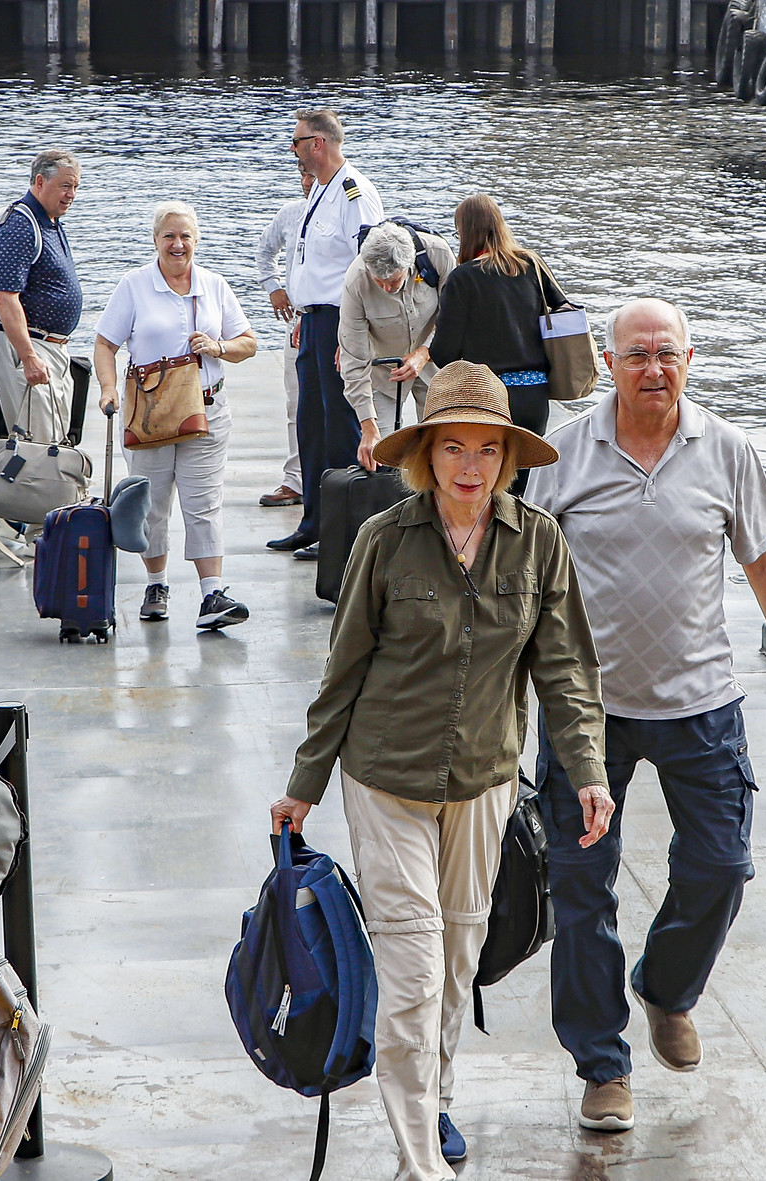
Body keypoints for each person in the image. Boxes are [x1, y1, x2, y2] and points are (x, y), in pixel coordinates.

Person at [271, 361, 615, 1181]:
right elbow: (342, 672)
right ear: (426, 455)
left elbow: (566, 670)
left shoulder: (539, 543)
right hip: (385, 778)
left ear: (508, 458)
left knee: (460, 956)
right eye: (453, 447)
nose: (471, 465)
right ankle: (421, 1160)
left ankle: (438, 1092)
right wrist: (304, 784)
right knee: (415, 965)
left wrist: (589, 770)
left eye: (488, 449)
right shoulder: (384, 541)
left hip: (486, 782)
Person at [523, 297, 766, 1134]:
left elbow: (765, 561)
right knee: (582, 890)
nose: (653, 369)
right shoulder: (562, 453)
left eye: (667, 353)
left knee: (723, 866)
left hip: (703, 702)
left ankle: (666, 988)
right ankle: (602, 1064)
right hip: (587, 710)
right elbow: (527, 570)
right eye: (636, 355)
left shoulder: (725, 448)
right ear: (608, 362)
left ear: (689, 359)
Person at [93, 201, 259, 631]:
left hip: (207, 411)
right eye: (169, 236)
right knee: (153, 506)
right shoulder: (133, 286)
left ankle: (212, 595)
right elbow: (105, 344)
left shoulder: (215, 286)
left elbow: (249, 342)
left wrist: (218, 347)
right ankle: (157, 584)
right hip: (150, 414)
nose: (177, 243)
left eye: (185, 235)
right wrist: (109, 390)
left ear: (196, 240)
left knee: (204, 504)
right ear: (155, 241)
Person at [267, 108, 383, 560]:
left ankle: (343, 532)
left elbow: (371, 265)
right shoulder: (320, 192)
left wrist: (354, 337)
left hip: (341, 321)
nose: (292, 150)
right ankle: (313, 522)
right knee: (311, 426)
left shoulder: (355, 193)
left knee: (340, 428)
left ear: (318, 143)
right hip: (312, 321)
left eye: (296, 142)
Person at [427, 194, 568, 496]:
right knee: (523, 493)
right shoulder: (530, 263)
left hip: (489, 401)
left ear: (466, 232)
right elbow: (565, 311)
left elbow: (444, 353)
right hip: (534, 397)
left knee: (488, 493)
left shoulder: (462, 279)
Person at [0, 151, 81, 445]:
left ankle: (50, 491)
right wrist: (28, 358)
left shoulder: (49, 221)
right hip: (28, 347)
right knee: (38, 444)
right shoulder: (21, 225)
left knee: (52, 440)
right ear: (40, 181)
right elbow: (5, 299)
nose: (71, 195)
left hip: (50, 346)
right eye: (66, 186)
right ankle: (37, 491)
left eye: (75, 187)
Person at [340, 221, 451, 471]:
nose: (387, 288)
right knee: (380, 454)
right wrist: (368, 428)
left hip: (435, 365)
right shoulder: (355, 281)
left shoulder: (438, 255)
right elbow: (353, 358)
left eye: (393, 280)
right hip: (384, 372)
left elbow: (455, 317)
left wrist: (425, 353)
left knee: (442, 449)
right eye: (379, 283)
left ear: (408, 265)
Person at [253, 169, 313, 508]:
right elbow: (265, 250)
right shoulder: (290, 214)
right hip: (299, 322)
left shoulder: (347, 208)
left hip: (339, 322)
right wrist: (273, 287)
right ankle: (296, 479)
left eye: (312, 177)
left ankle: (339, 473)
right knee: (297, 403)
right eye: (302, 176)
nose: (306, 183)